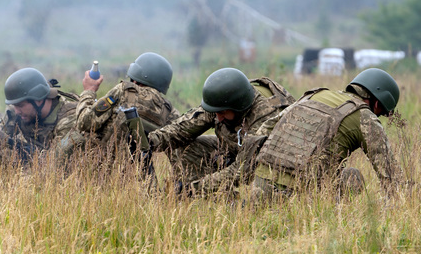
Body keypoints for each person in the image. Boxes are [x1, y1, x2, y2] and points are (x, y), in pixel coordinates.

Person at [252, 68, 406, 199]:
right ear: (377, 103)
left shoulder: (313, 95)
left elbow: (263, 131)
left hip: (260, 187)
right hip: (299, 195)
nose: (377, 116)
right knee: (352, 177)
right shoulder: (365, 117)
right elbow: (392, 177)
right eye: (380, 113)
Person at [148, 67, 296, 196]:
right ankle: (207, 199)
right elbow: (182, 128)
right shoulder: (223, 100)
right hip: (236, 150)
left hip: (270, 165)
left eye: (223, 113)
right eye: (215, 112)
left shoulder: (263, 119)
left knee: (258, 196)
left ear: (239, 108)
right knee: (184, 146)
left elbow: (242, 171)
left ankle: (228, 203)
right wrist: (150, 142)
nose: (218, 118)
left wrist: (192, 188)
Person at [73, 52, 183, 172]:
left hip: (101, 172)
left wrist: (89, 91)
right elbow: (178, 152)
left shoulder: (124, 90)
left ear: (136, 77)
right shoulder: (168, 111)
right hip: (138, 179)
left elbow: (85, 122)